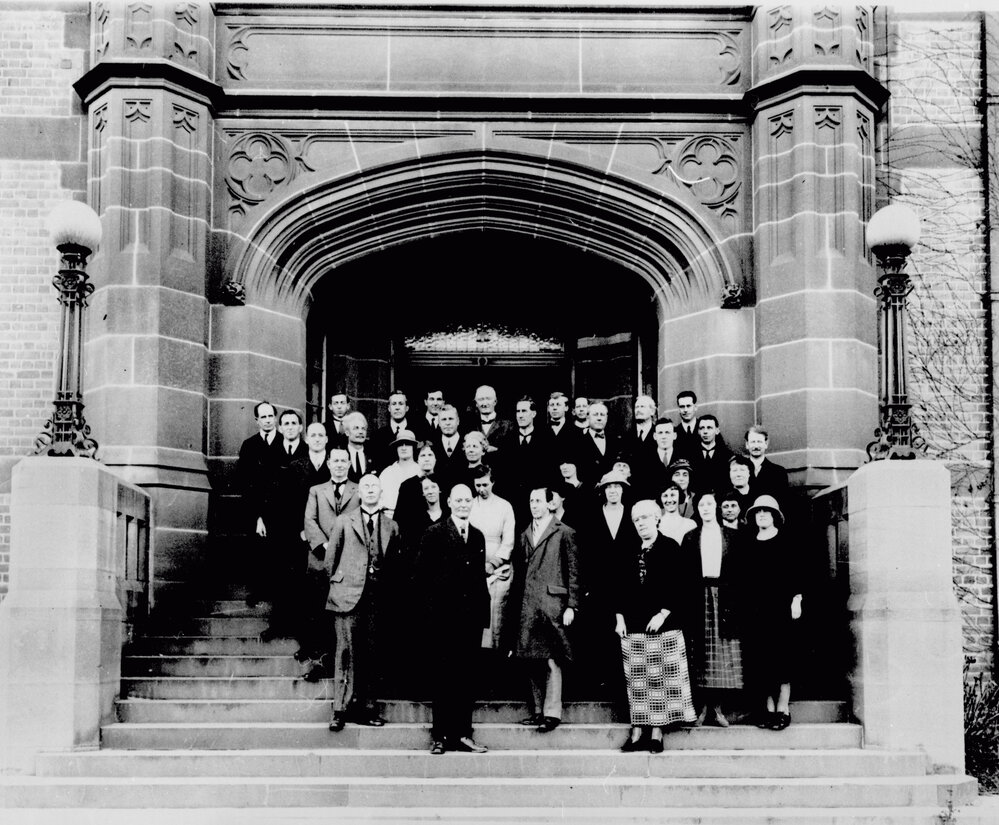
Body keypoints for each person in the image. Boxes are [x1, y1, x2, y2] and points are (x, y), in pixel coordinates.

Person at [614, 500, 699, 753]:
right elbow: (617, 587)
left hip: (664, 625)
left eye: (645, 519)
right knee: (638, 682)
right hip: (634, 625)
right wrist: (619, 618)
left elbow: (680, 585)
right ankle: (637, 731)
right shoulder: (628, 550)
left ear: (656, 519)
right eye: (637, 520)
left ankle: (657, 732)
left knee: (661, 680)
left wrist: (663, 613)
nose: (641, 524)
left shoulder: (670, 547)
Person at [413, 483, 490, 754]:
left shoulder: (478, 536)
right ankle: (441, 736)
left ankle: (463, 734)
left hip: (469, 621)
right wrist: (429, 618)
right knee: (443, 678)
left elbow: (481, 581)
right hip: (442, 621)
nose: (462, 504)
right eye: (458, 500)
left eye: (467, 500)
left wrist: (484, 619)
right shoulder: (433, 533)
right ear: (449, 502)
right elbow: (421, 580)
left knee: (466, 678)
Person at [324, 473, 400, 732]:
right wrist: (340, 587)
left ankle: (368, 708)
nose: (369, 490)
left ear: (381, 493)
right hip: (347, 597)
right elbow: (329, 562)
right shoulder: (344, 521)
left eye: (374, 487)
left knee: (372, 653)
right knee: (345, 653)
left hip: (377, 599)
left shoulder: (392, 525)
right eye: (365, 486)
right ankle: (340, 710)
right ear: (358, 492)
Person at [507, 487, 580, 733]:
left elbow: (573, 572)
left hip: (553, 606)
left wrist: (572, 605)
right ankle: (538, 711)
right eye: (531, 500)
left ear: (550, 504)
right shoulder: (524, 534)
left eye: (538, 500)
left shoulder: (565, 532)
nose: (534, 505)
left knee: (552, 660)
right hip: (529, 605)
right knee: (531, 659)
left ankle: (552, 713)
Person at [680, 491, 743, 727]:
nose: (706, 508)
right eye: (701, 505)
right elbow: (685, 574)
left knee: (721, 653)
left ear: (716, 507)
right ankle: (703, 708)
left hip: (725, 598)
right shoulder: (690, 537)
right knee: (701, 655)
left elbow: (739, 572)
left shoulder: (732, 536)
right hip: (699, 598)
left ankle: (717, 708)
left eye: (709, 504)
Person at [742, 495, 803, 731]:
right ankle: (767, 708)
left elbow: (797, 571)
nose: (762, 515)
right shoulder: (750, 542)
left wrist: (796, 599)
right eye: (758, 512)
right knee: (760, 660)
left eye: (766, 511)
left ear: (775, 515)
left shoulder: (787, 540)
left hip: (781, 608)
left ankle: (783, 708)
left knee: (782, 659)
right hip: (757, 610)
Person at [302, 448, 360, 681]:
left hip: (349, 561)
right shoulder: (316, 491)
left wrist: (343, 550)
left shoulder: (358, 490)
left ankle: (344, 668)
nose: (339, 464)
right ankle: (320, 664)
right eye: (335, 460)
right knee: (319, 613)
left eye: (343, 460)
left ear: (348, 463)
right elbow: (310, 521)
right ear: (328, 463)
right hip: (320, 561)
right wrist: (326, 547)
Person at [260, 409, 309, 641]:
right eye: (286, 423)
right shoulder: (271, 453)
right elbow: (264, 489)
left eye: (294, 423)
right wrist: (260, 517)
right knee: (279, 573)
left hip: (302, 525)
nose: (290, 427)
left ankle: (299, 626)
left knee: (300, 575)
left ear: (301, 428)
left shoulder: (309, 453)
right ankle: (277, 624)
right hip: (278, 522)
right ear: (280, 428)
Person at [288, 422, 332, 664]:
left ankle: (325, 647)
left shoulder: (334, 465)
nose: (316, 439)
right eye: (312, 435)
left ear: (327, 439)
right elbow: (290, 503)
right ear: (307, 439)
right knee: (305, 595)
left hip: (330, 541)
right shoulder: (296, 466)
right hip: (303, 539)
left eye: (321, 435)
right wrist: (302, 530)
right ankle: (307, 645)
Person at [235, 401, 281, 608]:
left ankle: (276, 592)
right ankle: (257, 591)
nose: (268, 420)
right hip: (256, 507)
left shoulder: (285, 442)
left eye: (271, 415)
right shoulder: (249, 445)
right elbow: (244, 482)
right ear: (257, 421)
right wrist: (257, 516)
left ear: (276, 417)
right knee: (256, 549)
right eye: (263, 417)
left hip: (281, 507)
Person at [468, 465, 516, 650]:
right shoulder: (470, 505)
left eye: (485, 484)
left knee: (495, 623)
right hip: (473, 569)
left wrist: (493, 563)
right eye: (478, 485)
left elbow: (508, 542)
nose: (481, 489)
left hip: (498, 572)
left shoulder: (504, 506)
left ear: (493, 482)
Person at [394, 441, 439, 538]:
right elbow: (400, 518)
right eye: (423, 455)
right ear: (417, 460)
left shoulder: (443, 483)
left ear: (435, 459)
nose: (427, 459)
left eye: (430, 455)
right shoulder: (407, 486)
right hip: (415, 538)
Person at [377, 428, 419, 519]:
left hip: (415, 517)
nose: (403, 448)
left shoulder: (419, 471)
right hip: (389, 517)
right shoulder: (387, 473)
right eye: (400, 445)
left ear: (413, 447)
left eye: (407, 444)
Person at [745, 426, 790, 505]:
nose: (756, 446)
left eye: (759, 442)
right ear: (747, 444)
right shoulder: (738, 470)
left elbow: (783, 502)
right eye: (753, 442)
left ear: (766, 444)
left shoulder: (778, 472)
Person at [577, 401, 618, 485]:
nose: (599, 418)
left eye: (602, 415)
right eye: (595, 414)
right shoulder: (578, 441)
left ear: (606, 418)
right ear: (588, 417)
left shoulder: (615, 440)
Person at [692, 414, 733, 495]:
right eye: (702, 428)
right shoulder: (691, 455)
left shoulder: (727, 455)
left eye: (709, 428)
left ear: (717, 430)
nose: (705, 431)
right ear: (698, 431)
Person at [371, 391, 413, 468]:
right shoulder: (377, 435)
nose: (397, 407)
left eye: (401, 403)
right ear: (389, 408)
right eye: (394, 404)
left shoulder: (416, 432)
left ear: (407, 408)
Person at [432, 404, 464, 494]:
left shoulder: (467, 444)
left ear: (458, 421)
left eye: (451, 419)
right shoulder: (433, 446)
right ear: (439, 423)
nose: (447, 423)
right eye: (444, 419)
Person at [471, 385, 513, 452]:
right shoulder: (470, 425)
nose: (484, 403)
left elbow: (513, 450)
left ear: (495, 401)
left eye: (488, 399)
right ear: (476, 403)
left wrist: (497, 450)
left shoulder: (509, 425)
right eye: (481, 399)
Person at [343, 411, 376, 482]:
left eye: (363, 428)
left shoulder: (373, 454)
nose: (361, 432)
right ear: (347, 432)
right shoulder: (341, 454)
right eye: (356, 428)